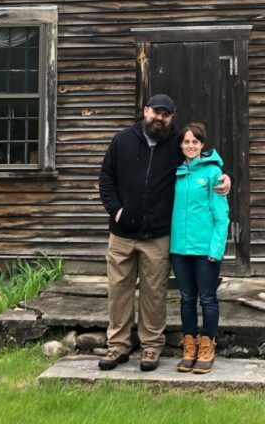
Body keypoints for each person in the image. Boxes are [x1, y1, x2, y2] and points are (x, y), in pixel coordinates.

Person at [97, 94, 230, 372]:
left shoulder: (174, 144)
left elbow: (201, 158)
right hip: (122, 234)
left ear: (171, 118)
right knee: (119, 291)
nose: (159, 118)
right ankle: (118, 346)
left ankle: (151, 347)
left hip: (157, 235)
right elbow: (106, 177)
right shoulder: (122, 140)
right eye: (155, 112)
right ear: (145, 111)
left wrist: (225, 176)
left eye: (165, 114)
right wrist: (115, 210)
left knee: (154, 293)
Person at [170, 122, 230, 374]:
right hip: (179, 249)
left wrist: (216, 250)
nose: (190, 146)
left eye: (195, 142)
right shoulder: (176, 172)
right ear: (181, 145)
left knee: (207, 298)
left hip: (205, 250)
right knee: (186, 299)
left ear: (202, 145)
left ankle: (207, 345)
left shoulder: (214, 173)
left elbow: (222, 215)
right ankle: (189, 345)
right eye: (186, 142)